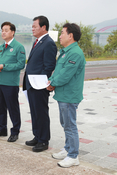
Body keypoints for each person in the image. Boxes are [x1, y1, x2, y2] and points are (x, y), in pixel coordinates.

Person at [47, 23, 85, 168]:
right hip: (63, 94)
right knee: (65, 124)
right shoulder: (65, 52)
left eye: (62, 33)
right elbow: (58, 72)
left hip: (69, 95)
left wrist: (52, 83)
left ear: (71, 35)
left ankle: (73, 155)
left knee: (70, 126)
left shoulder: (75, 53)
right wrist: (51, 80)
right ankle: (68, 148)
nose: (60, 36)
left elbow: (65, 75)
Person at [23, 16, 57, 152]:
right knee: (34, 111)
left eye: (34, 26)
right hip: (31, 84)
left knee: (41, 112)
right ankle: (37, 136)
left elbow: (49, 66)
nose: (32, 29)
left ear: (43, 27)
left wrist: (41, 82)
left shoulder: (49, 43)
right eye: (32, 26)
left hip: (39, 85)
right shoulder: (37, 42)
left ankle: (43, 140)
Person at [0, 22, 26, 142]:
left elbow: (21, 64)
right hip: (0, 82)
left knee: (13, 108)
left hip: (11, 83)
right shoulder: (1, 47)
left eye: (6, 30)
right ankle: (2, 128)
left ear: (13, 32)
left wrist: (4, 66)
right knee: (0, 107)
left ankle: (15, 131)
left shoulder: (18, 47)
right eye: (2, 30)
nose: (3, 32)